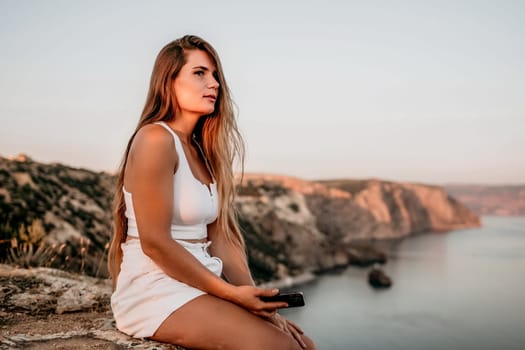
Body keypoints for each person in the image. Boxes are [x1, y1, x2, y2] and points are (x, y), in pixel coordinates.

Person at [107, 35, 316, 350]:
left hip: (201, 282)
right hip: (155, 290)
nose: (214, 83)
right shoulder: (155, 139)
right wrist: (231, 294)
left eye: (215, 74)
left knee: (302, 344)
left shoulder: (204, 151)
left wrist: (260, 304)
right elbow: (155, 243)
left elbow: (222, 240)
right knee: (279, 347)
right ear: (169, 81)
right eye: (200, 73)